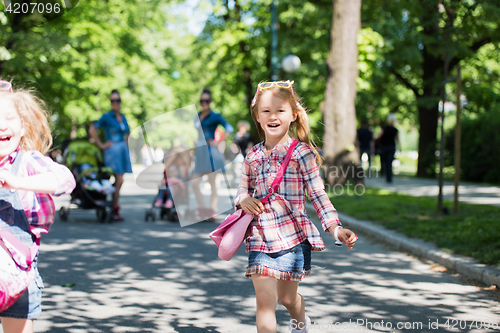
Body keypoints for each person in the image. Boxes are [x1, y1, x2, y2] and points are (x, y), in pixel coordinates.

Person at [235, 80, 358, 333]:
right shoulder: (253, 156)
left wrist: (335, 228)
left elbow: (318, 195)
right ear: (257, 117)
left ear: (293, 115)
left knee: (287, 299)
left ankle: (301, 324)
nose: (273, 116)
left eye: (280, 110)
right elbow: (242, 189)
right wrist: (242, 200)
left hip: (292, 239)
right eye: (266, 111)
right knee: (265, 303)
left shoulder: (302, 154)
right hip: (260, 237)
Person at [0, 80, 76, 333]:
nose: (2, 125)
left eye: (10, 117)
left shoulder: (26, 162)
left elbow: (65, 180)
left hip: (17, 278)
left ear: (22, 127)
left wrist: (18, 181)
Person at [89, 89, 132, 221]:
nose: (115, 103)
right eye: (112, 101)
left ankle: (112, 206)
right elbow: (92, 130)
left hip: (122, 150)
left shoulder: (123, 116)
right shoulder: (106, 117)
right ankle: (113, 207)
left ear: (121, 102)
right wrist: (101, 145)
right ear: (110, 102)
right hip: (112, 151)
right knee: (119, 180)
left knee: (119, 180)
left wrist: (125, 142)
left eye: (117, 100)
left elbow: (128, 131)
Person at [192, 88, 234, 221]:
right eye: (201, 100)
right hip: (200, 151)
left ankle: (212, 211)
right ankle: (203, 209)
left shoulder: (215, 116)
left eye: (206, 100)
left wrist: (219, 141)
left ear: (210, 102)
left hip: (210, 151)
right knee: (194, 182)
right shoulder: (197, 115)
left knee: (212, 183)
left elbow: (229, 128)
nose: (204, 103)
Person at [377, 114, 399, 183]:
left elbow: (379, 136)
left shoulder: (384, 128)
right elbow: (397, 139)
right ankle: (389, 177)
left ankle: (385, 174)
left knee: (385, 161)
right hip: (391, 147)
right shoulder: (395, 130)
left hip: (385, 147)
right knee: (389, 162)